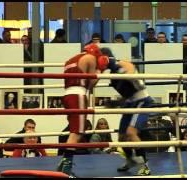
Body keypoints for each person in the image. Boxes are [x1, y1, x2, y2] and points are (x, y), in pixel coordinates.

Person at [56, 43, 110, 176]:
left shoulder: (71, 59)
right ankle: (66, 168)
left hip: (67, 95)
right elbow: (91, 84)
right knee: (77, 132)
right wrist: (100, 70)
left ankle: (63, 163)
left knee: (74, 131)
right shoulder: (90, 58)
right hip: (78, 95)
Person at [100, 47, 153, 176]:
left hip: (142, 101)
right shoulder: (112, 76)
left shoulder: (122, 64)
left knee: (131, 132)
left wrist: (123, 73)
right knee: (122, 136)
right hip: (130, 103)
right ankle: (130, 160)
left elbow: (137, 83)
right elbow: (128, 94)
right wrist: (116, 103)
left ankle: (145, 165)